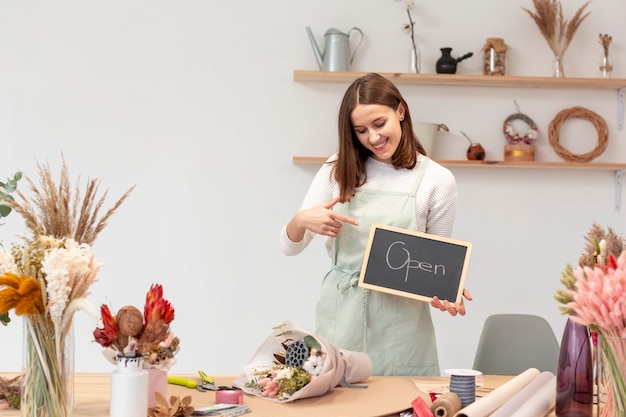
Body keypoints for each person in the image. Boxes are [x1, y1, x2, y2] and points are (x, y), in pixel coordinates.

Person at [280, 72, 472, 376]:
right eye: (360, 130)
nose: (372, 137)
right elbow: (288, 247)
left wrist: (448, 292)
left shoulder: (436, 180)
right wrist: (301, 219)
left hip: (403, 328)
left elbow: (434, 264)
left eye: (379, 124)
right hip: (341, 318)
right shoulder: (336, 169)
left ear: (400, 111)